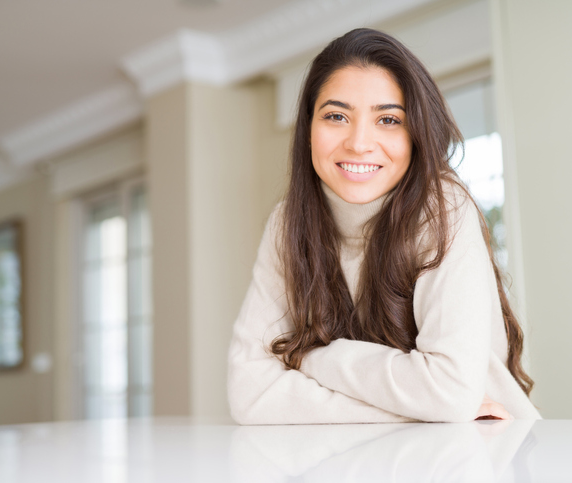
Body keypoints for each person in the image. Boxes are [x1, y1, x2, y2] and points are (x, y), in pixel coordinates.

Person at [227, 28, 541, 424]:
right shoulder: (287, 223)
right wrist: (416, 411)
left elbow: (449, 392)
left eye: (388, 119)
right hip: (363, 456)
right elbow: (249, 393)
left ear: (416, 135)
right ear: (308, 129)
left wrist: (314, 357)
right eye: (336, 116)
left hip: (479, 451)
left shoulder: (443, 209)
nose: (359, 143)